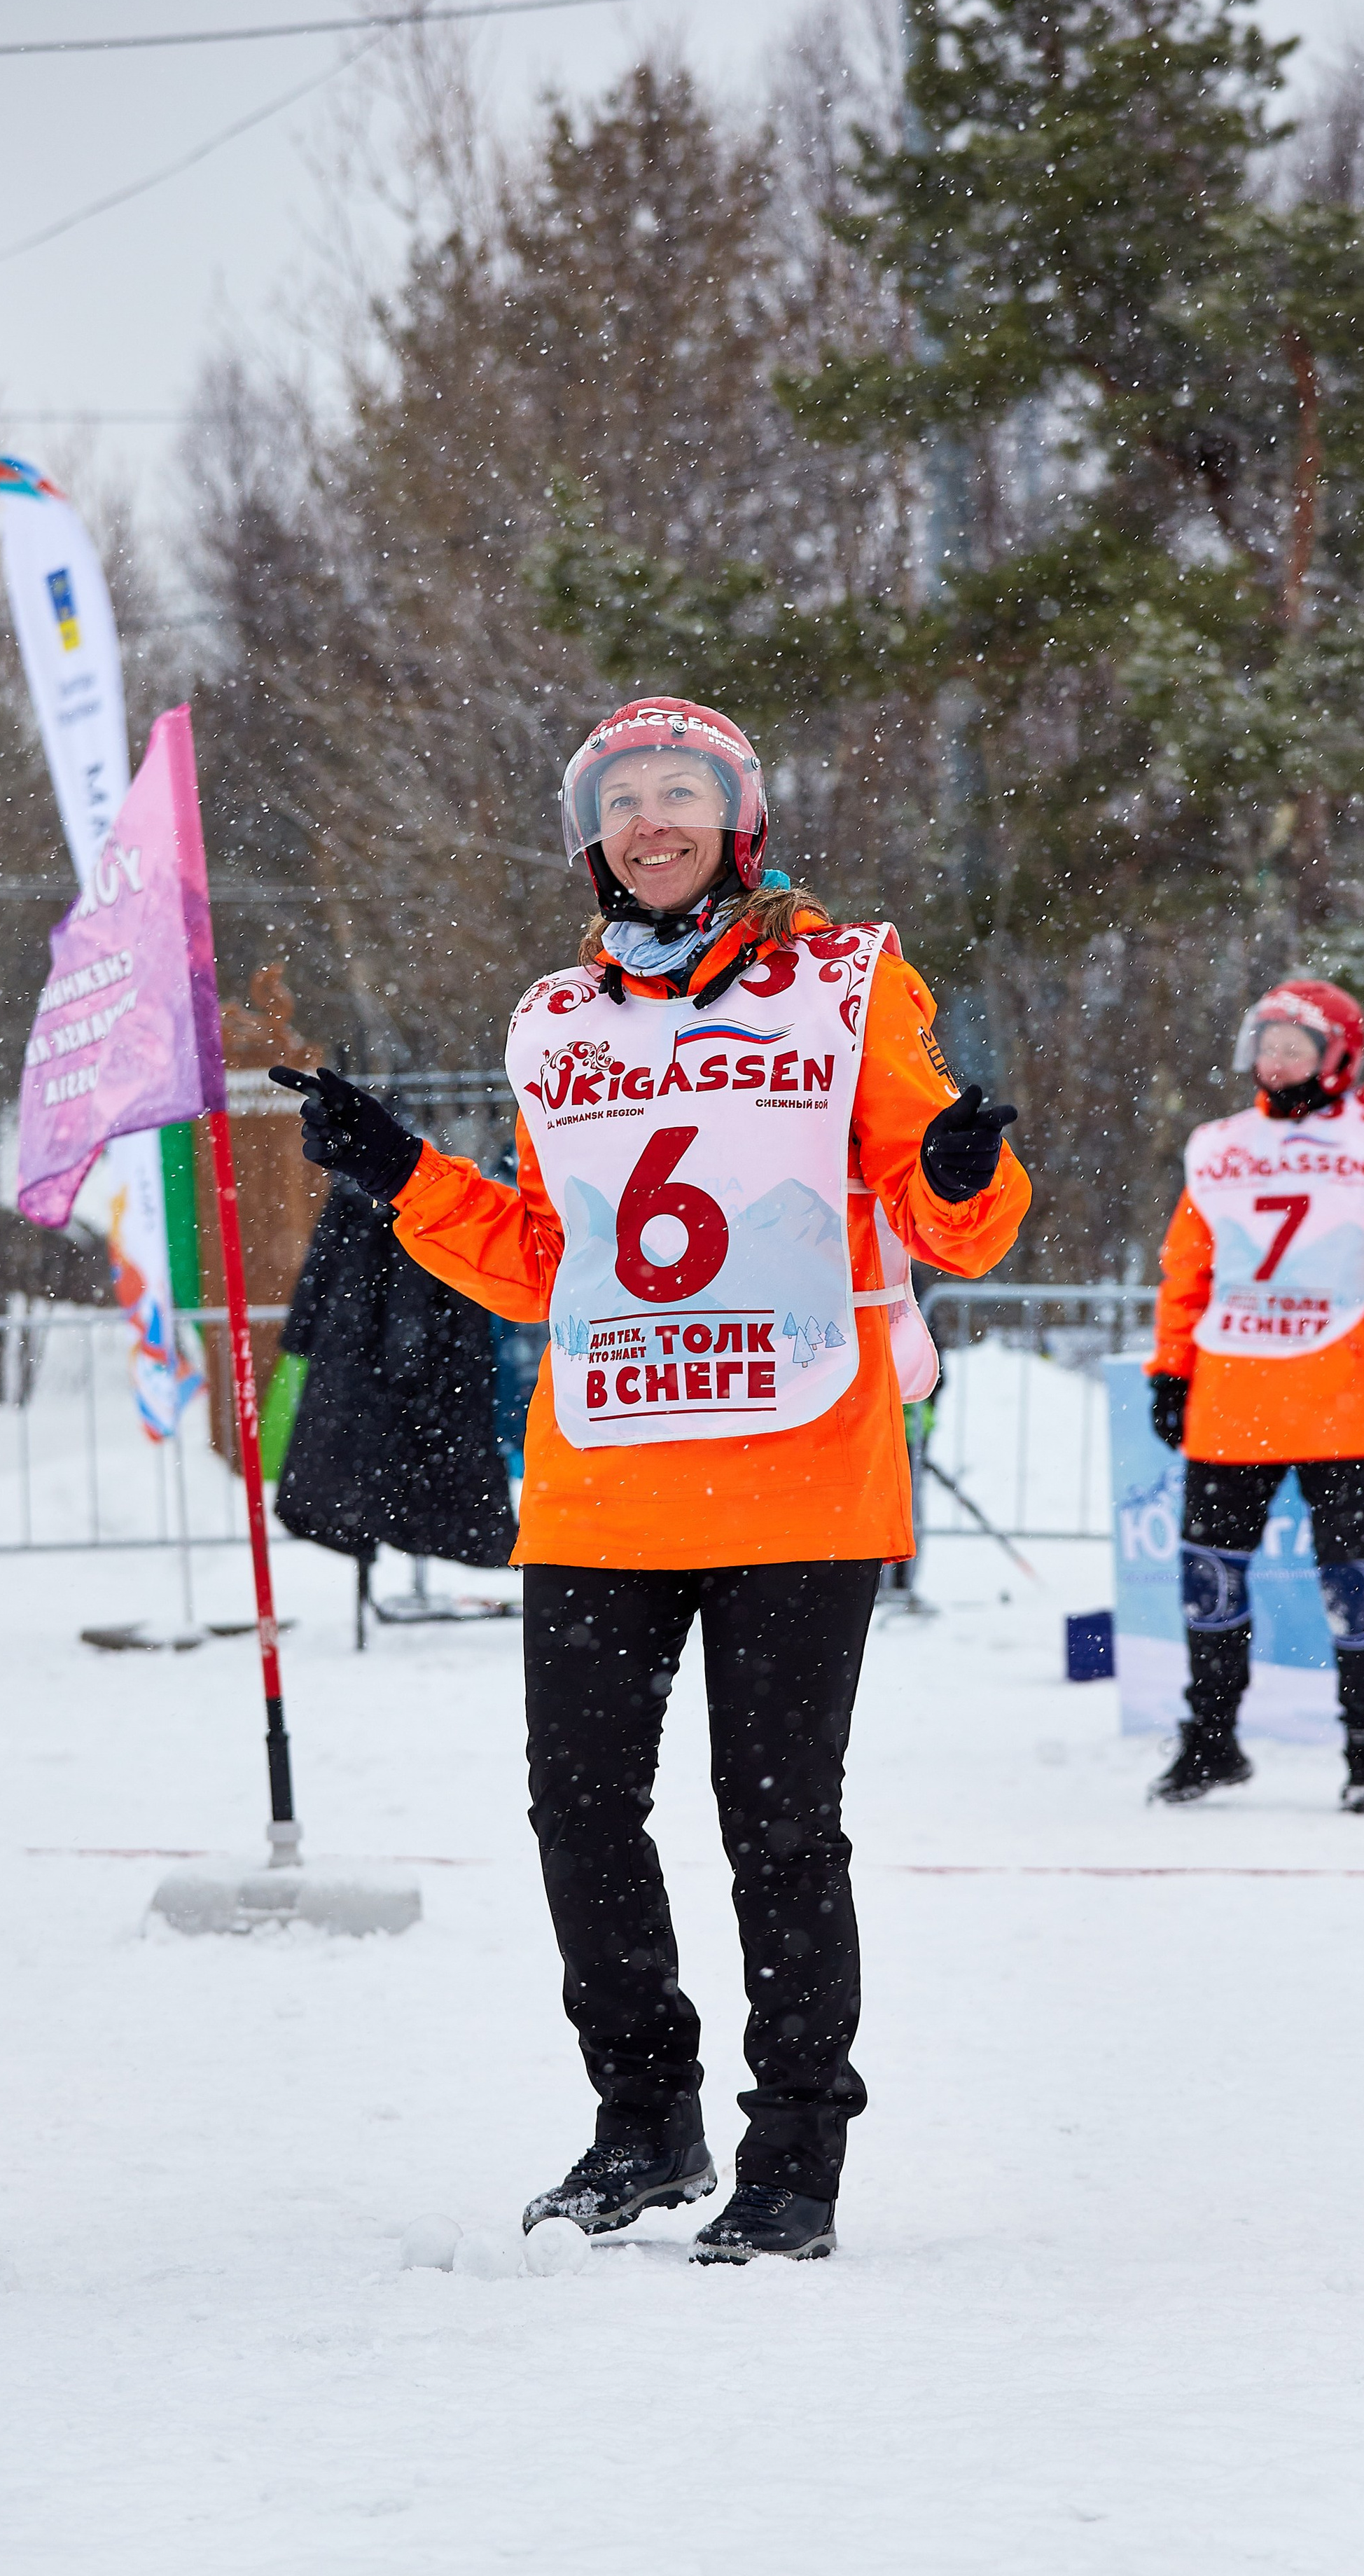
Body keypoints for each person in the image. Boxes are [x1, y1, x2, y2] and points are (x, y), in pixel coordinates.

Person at [274, 695, 1030, 2262]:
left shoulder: (845, 978)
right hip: (606, 1476)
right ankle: (644, 2124)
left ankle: (794, 2164)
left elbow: (941, 1202)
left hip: (801, 1473)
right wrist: (402, 1173)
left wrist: (962, 1178)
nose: (653, 817)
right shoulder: (555, 1018)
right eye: (624, 796)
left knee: (776, 1827)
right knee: (577, 1813)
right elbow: (551, 1258)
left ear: (737, 817)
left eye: (683, 788)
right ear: (592, 834)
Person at [1143, 979, 1364, 1814]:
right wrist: (1169, 1369)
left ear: (1337, 1054)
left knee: (1351, 1582)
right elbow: (1186, 1273)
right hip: (1232, 1393)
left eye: (1295, 1043)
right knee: (1211, 1580)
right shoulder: (1218, 1143)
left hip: (1348, 1396)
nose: (1277, 1056)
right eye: (1266, 1040)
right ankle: (1212, 1742)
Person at [274, 1175, 517, 1574]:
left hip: (387, 1347)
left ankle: (381, 1525)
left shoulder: (377, 1187)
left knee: (371, 1465)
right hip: (393, 1347)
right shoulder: (379, 1188)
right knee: (389, 1461)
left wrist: (306, 1330)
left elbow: (324, 1269)